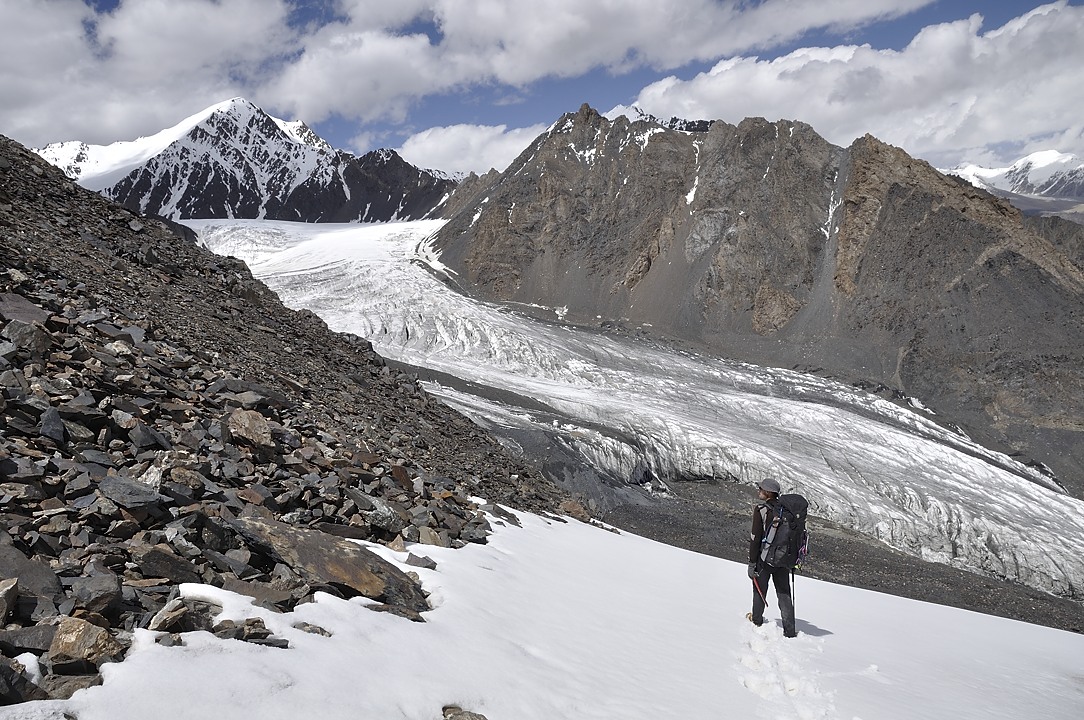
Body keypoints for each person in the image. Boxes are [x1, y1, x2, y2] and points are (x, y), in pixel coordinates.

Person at [747, 477, 798, 637]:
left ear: (768, 493)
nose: (759, 491)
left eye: (761, 489)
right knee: (784, 592)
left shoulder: (762, 510)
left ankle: (756, 619)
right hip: (783, 559)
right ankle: (789, 630)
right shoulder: (787, 511)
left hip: (764, 558)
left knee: (760, 589)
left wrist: (752, 563)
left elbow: (755, 537)